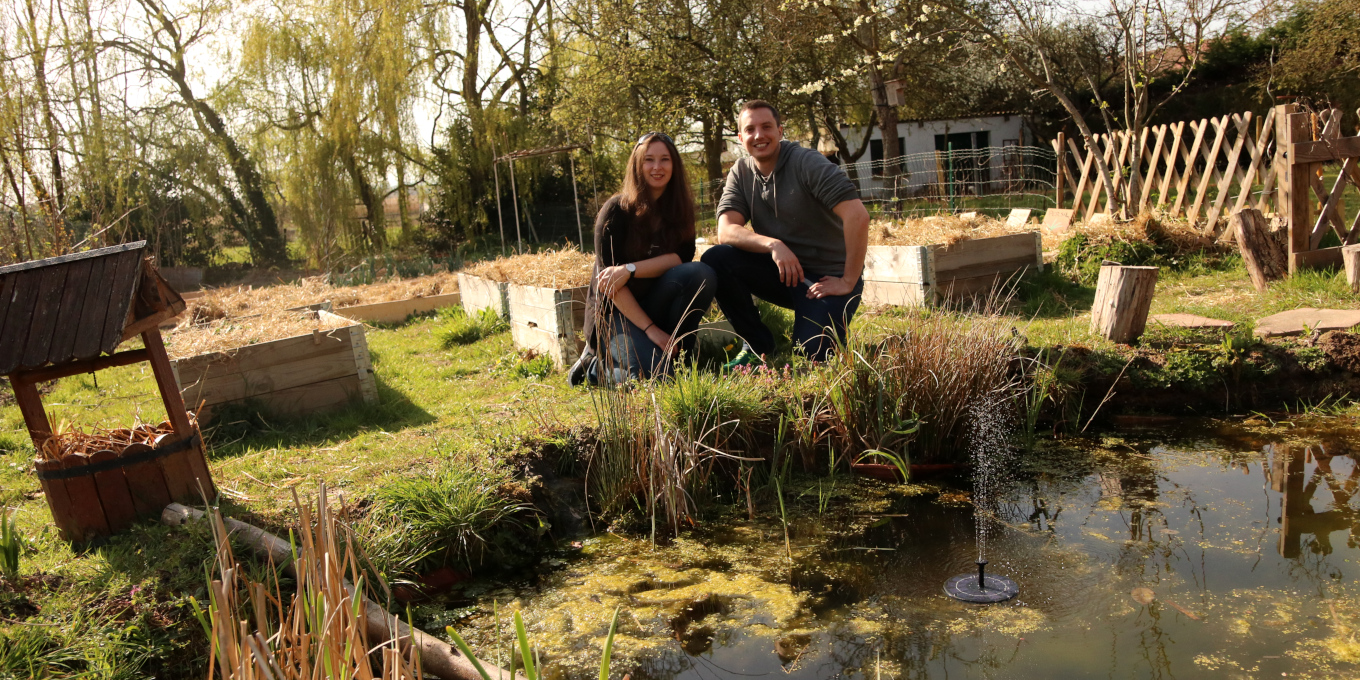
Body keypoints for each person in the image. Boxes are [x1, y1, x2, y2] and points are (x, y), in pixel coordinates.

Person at [701, 100, 870, 366]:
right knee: (717, 258)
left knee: (811, 355)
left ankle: (826, 323)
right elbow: (726, 230)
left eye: (766, 127)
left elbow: (858, 216)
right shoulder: (741, 172)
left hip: (829, 279)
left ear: (780, 131)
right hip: (785, 273)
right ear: (740, 137)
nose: (759, 135)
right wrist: (772, 244)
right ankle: (758, 346)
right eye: (750, 129)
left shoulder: (807, 162)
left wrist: (848, 280)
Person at [570, 132, 717, 385]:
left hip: (653, 305)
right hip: (615, 314)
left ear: (675, 165)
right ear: (638, 164)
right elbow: (609, 284)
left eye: (665, 160)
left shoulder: (680, 212)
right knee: (657, 376)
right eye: (649, 160)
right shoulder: (616, 210)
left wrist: (630, 269)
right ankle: (597, 367)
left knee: (700, 274)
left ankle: (680, 352)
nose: (657, 167)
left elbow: (680, 259)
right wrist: (651, 330)